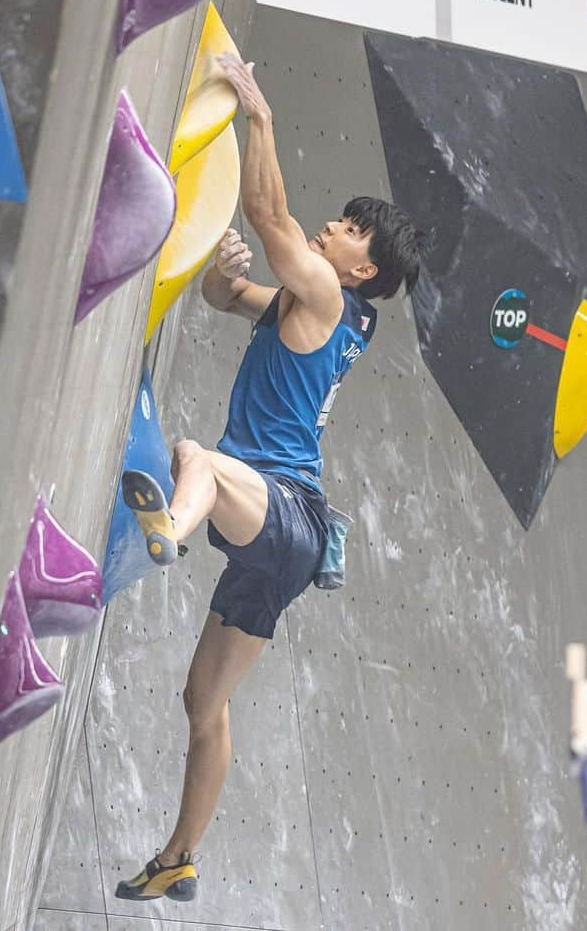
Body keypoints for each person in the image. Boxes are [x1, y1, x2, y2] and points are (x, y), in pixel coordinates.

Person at [115, 52, 430, 904]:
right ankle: (180, 856)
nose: (330, 228)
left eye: (347, 229)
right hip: (282, 546)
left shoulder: (326, 293)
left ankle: (164, 537)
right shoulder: (312, 309)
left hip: (282, 512)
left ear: (361, 269)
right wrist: (223, 274)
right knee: (201, 701)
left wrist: (260, 113)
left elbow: (265, 206)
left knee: (199, 461)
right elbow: (230, 301)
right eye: (335, 221)